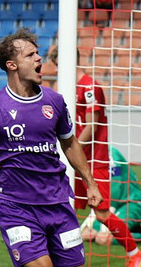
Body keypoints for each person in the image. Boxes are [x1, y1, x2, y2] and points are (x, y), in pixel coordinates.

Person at [0, 28, 103, 267]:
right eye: (30, 55)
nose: (39, 58)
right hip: (17, 208)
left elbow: (70, 143)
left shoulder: (55, 101)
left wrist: (90, 183)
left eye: (37, 53)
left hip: (58, 204)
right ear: (12, 65)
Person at [74, 51, 141, 266]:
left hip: (94, 160)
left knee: (102, 214)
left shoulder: (89, 87)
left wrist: (72, 149)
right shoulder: (65, 88)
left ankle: (134, 255)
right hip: (75, 160)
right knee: (62, 206)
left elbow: (92, 126)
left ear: (58, 61)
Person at [81, 147, 141, 246]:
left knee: (103, 239)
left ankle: (134, 236)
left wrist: (108, 212)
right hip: (111, 205)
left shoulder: (111, 155)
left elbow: (116, 186)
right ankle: (129, 230)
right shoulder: (89, 155)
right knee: (86, 234)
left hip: (131, 203)